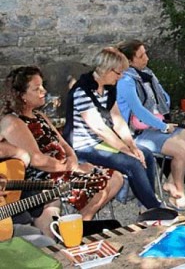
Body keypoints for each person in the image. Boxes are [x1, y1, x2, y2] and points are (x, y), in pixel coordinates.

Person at [1, 66, 123, 236]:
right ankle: (74, 230)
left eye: (42, 85)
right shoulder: (13, 122)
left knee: (116, 177)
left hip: (63, 168)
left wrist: (72, 159)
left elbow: (64, 143)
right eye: (37, 88)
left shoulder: (39, 116)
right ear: (21, 95)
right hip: (42, 176)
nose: (44, 91)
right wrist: (71, 168)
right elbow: (37, 160)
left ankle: (80, 223)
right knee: (98, 186)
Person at [66, 47, 162, 210]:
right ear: (106, 70)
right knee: (132, 162)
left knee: (145, 154)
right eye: (119, 73)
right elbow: (100, 128)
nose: (122, 76)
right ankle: (154, 208)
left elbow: (117, 120)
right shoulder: (82, 91)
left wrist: (132, 145)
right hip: (84, 146)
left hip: (100, 142)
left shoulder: (109, 87)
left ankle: (146, 203)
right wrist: (126, 150)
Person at [117, 40, 185, 210]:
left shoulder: (147, 75)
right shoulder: (125, 81)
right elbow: (139, 111)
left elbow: (165, 98)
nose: (147, 58)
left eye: (145, 53)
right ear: (129, 62)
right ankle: (178, 194)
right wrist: (162, 126)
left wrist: (160, 108)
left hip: (156, 124)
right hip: (138, 131)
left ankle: (171, 182)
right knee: (180, 150)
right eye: (141, 56)